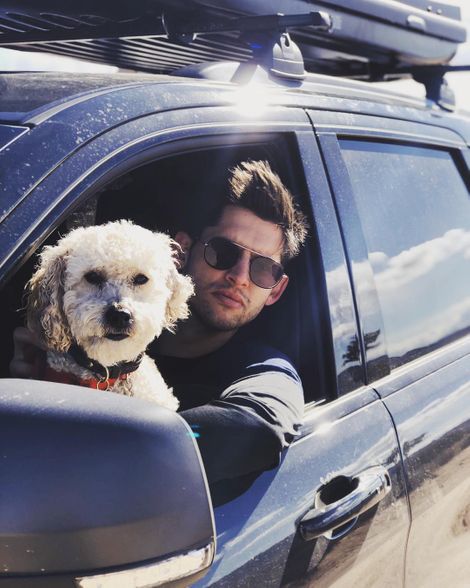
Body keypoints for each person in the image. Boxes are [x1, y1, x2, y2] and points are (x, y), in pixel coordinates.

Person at [10, 159, 309, 492]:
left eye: (263, 269)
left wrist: (90, 440)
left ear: (276, 290)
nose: (239, 277)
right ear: (181, 251)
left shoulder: (265, 371)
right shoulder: (73, 333)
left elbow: (255, 431)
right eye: (224, 252)